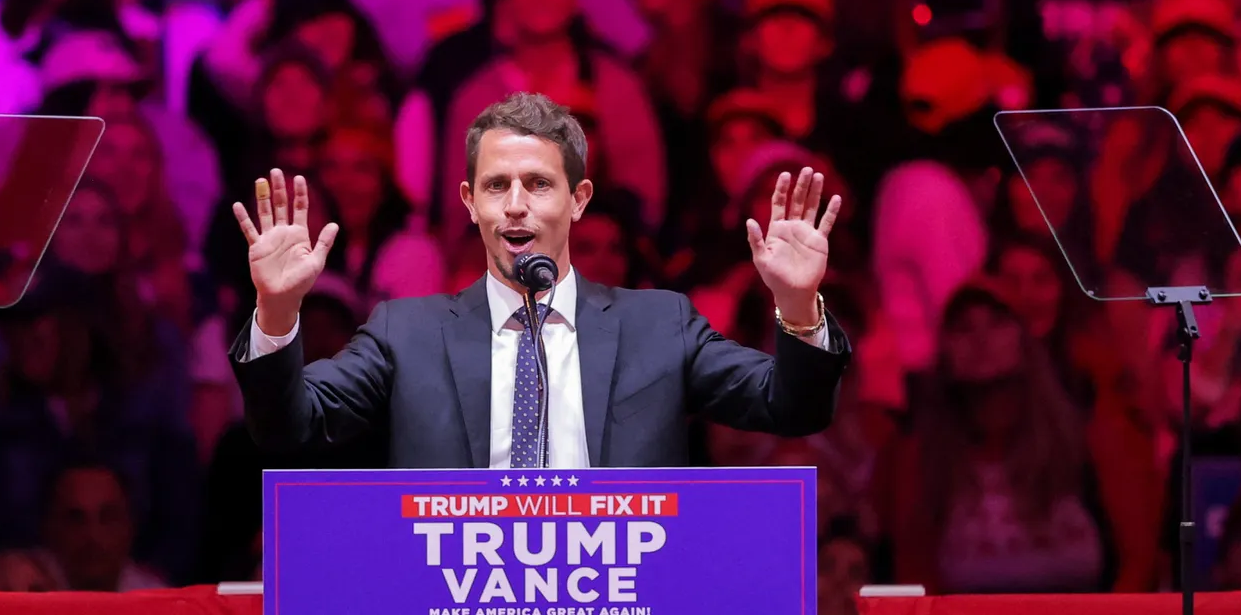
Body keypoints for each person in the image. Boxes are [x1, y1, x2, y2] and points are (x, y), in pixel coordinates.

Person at [229, 91, 850, 467]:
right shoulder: (404, 334)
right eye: (497, 186)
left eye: (539, 184)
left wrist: (797, 307)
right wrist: (278, 315)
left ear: (578, 200)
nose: (516, 205)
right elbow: (288, 428)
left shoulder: (659, 327)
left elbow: (791, 408)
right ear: (470, 202)